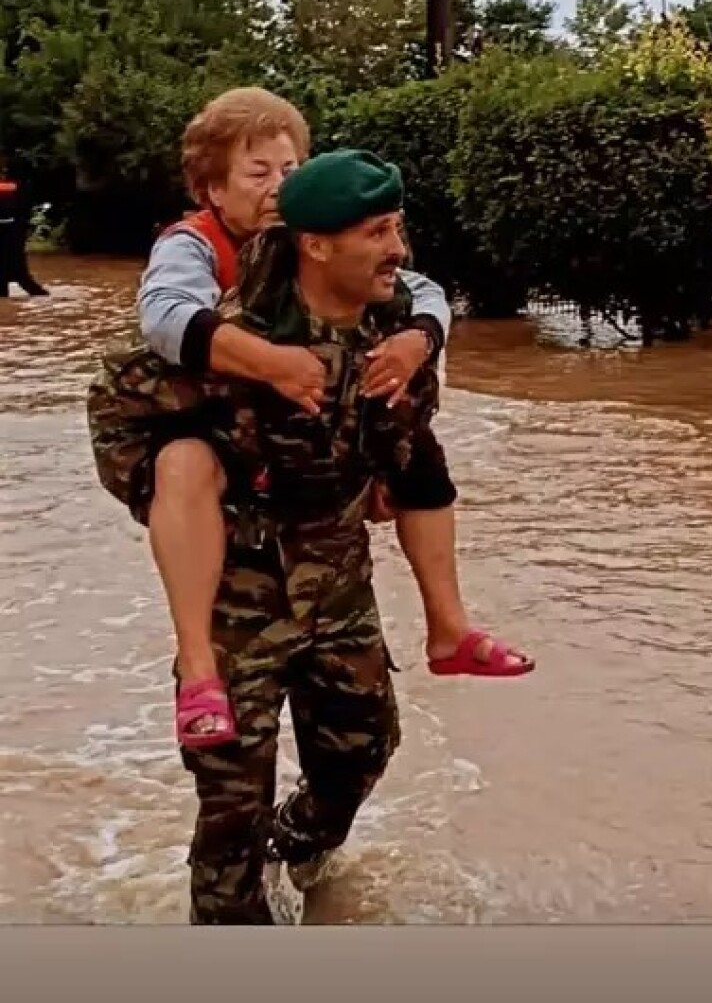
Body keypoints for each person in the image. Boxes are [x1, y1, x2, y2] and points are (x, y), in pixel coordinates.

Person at [89, 149, 501, 922]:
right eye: (378, 232)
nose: (398, 250)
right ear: (317, 246)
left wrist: (382, 474)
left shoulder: (400, 340)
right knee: (230, 810)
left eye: (398, 229)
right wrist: (166, 487)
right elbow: (116, 405)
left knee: (362, 754)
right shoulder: (236, 341)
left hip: (339, 589)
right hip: (236, 602)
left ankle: (299, 847)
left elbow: (413, 450)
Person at [116, 88, 534, 747]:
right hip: (205, 431)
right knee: (184, 461)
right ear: (212, 190)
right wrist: (269, 360)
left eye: (290, 170)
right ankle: (199, 666)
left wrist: (417, 338)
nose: (279, 186)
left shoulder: (318, 244)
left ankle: (448, 626)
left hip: (313, 478)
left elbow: (420, 291)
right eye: (258, 173)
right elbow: (165, 318)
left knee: (417, 446)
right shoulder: (193, 247)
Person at [0, 167, 48, 298]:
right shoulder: (19, 186)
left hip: (12, 233)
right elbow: (25, 210)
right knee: (20, 275)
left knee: (16, 275)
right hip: (15, 232)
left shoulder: (16, 186)